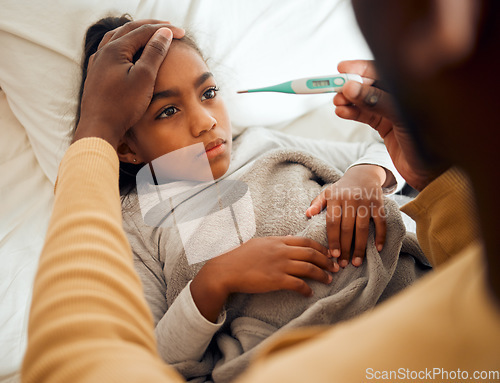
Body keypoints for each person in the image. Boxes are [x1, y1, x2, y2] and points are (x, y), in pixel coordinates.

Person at [21, 0, 500, 382]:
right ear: (124, 147)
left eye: (208, 93)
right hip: (304, 351)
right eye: (167, 112)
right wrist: (214, 283)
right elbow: (152, 355)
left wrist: (364, 177)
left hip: (412, 285)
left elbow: (385, 152)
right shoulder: (133, 223)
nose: (206, 120)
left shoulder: (263, 143)